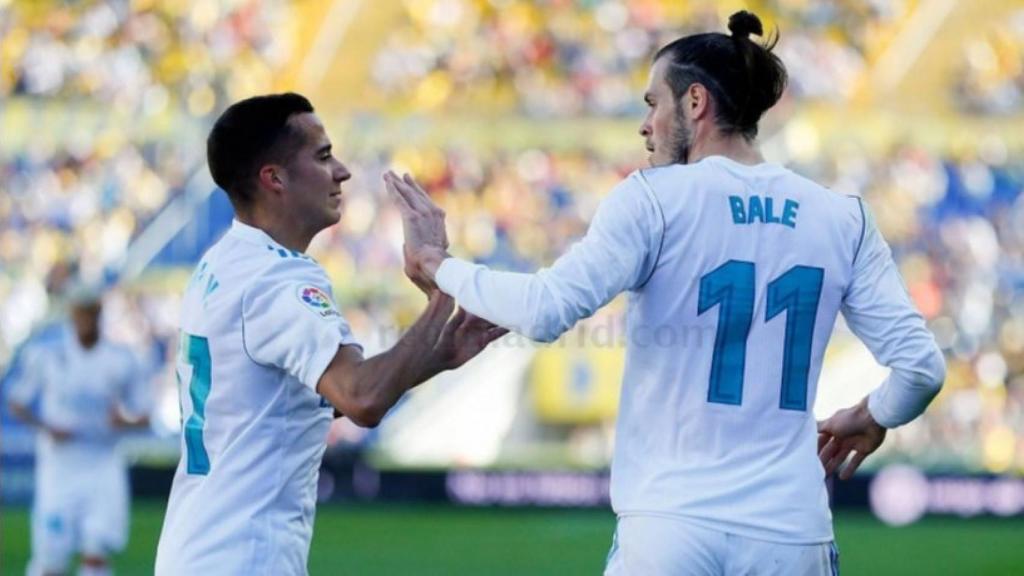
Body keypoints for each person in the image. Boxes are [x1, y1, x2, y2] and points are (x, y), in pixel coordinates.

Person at [389, 11, 946, 576]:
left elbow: (543, 309)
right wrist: (874, 413)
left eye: (653, 103)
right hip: (792, 532)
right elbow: (921, 369)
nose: (645, 125)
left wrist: (439, 265)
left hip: (670, 526)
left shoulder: (654, 198)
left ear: (695, 102)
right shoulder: (843, 218)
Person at [154, 93, 504, 574]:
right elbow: (362, 397)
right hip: (244, 558)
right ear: (274, 178)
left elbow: (306, 396)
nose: (342, 171)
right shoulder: (277, 279)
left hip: (198, 549)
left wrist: (436, 355)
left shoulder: (223, 263)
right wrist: (440, 280)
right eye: (323, 157)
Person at [8, 284, 151, 576]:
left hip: (102, 463)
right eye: (80, 313)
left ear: (99, 314)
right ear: (71, 315)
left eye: (91, 312)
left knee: (96, 552)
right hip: (59, 467)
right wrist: (46, 428)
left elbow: (145, 415)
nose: (85, 319)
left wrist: (125, 422)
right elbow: (17, 402)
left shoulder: (121, 359)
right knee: (51, 560)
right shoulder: (48, 355)